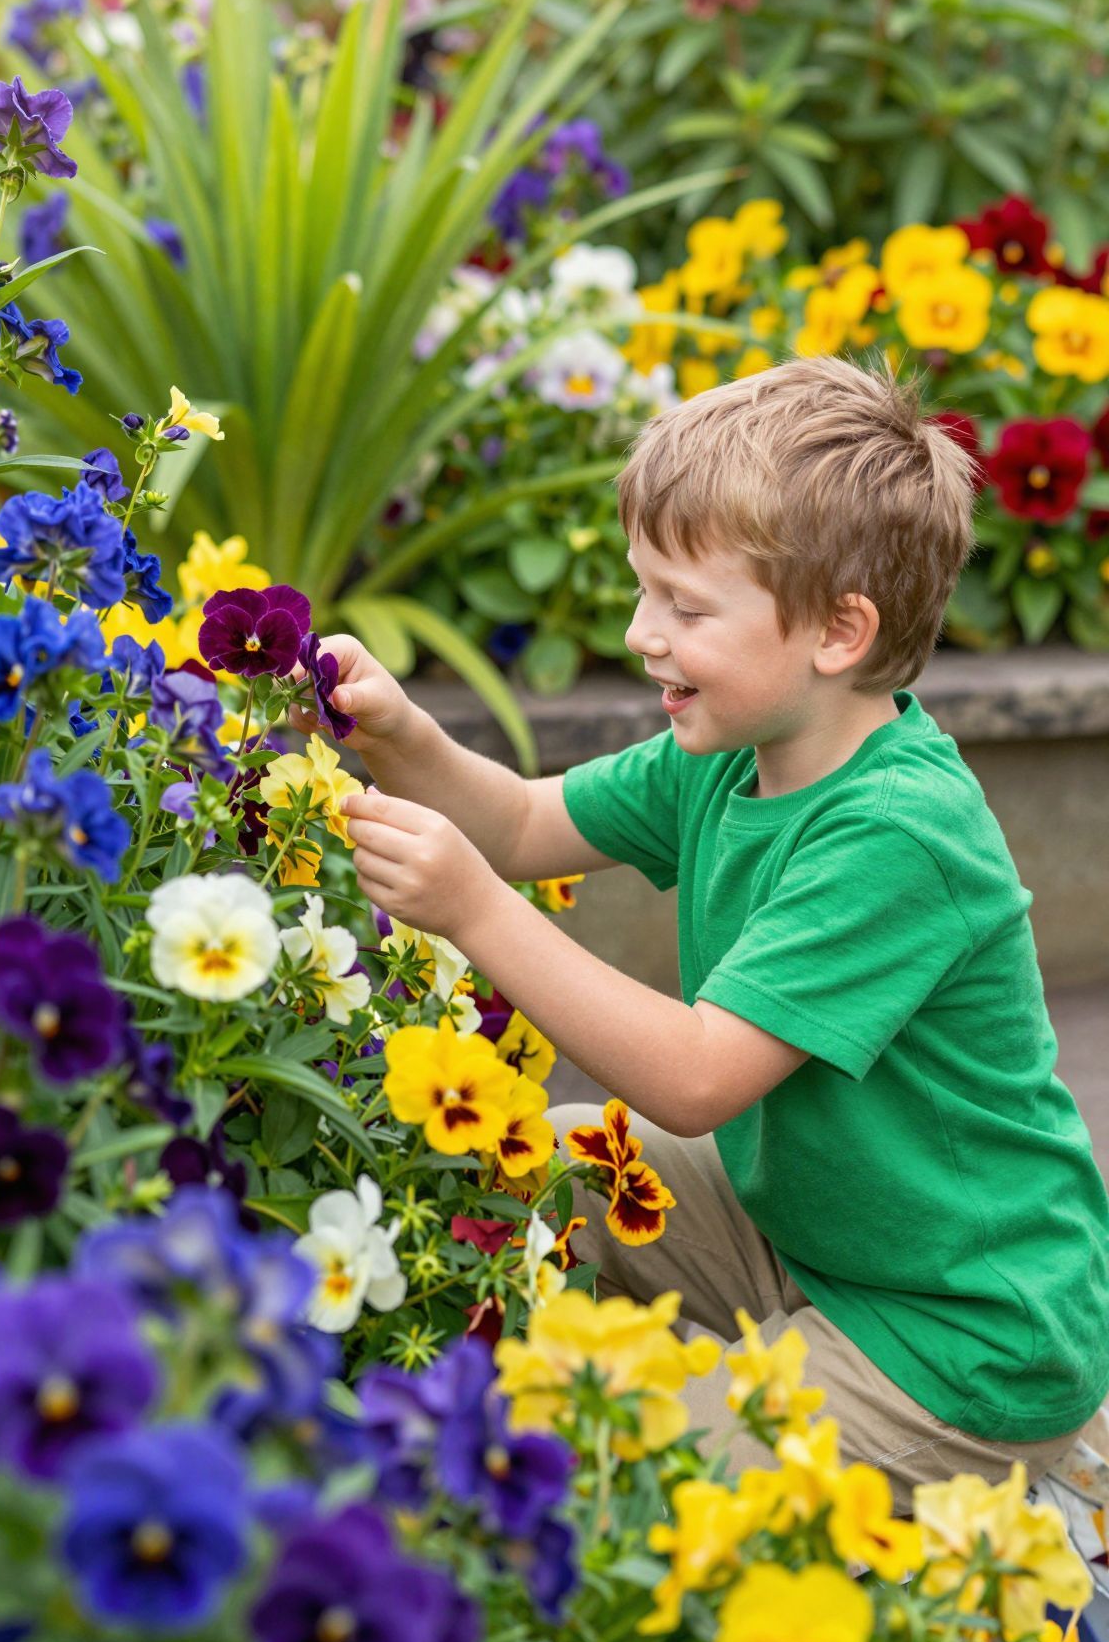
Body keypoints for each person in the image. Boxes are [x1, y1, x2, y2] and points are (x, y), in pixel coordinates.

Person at [295, 355, 1109, 1508]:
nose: (641, 633)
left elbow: (694, 1077)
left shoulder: (897, 835)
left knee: (635, 1471)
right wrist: (402, 729)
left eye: (684, 605)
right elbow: (523, 819)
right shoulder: (733, 750)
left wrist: (474, 909)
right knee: (543, 1161)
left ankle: (1044, 1490)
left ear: (838, 630)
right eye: (643, 591)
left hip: (962, 1331)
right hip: (821, 1234)